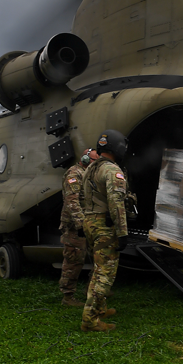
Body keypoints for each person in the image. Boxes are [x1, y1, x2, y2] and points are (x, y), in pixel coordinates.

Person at [79, 129, 130, 332]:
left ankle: (100, 309)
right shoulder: (111, 170)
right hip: (104, 225)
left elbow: (83, 199)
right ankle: (90, 321)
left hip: (90, 222)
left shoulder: (90, 169)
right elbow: (116, 202)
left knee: (98, 268)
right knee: (105, 273)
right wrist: (122, 231)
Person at [59, 148, 97, 307]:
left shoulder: (89, 174)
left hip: (89, 224)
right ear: (86, 159)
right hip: (76, 227)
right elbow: (72, 202)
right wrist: (81, 224)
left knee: (97, 257)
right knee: (74, 261)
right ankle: (67, 297)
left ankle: (91, 290)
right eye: (94, 160)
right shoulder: (75, 174)